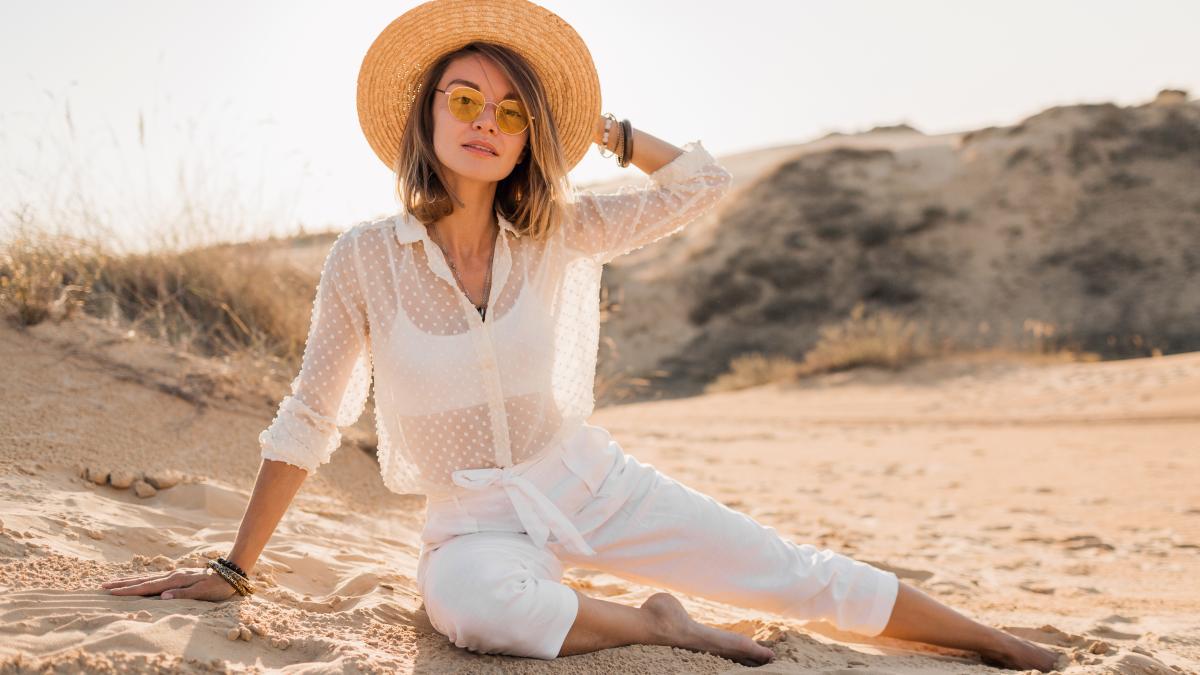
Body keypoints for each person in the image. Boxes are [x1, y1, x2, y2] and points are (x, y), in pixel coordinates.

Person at [102, 0, 1060, 670]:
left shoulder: (557, 231)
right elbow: (310, 416)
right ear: (424, 114)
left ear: (531, 137)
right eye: (464, 99)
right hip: (472, 521)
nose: (486, 122)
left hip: (591, 484)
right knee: (479, 609)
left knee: (787, 574)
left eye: (512, 111)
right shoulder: (366, 257)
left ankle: (1000, 644)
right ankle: (659, 625)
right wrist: (234, 567)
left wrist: (598, 127)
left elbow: (700, 183)